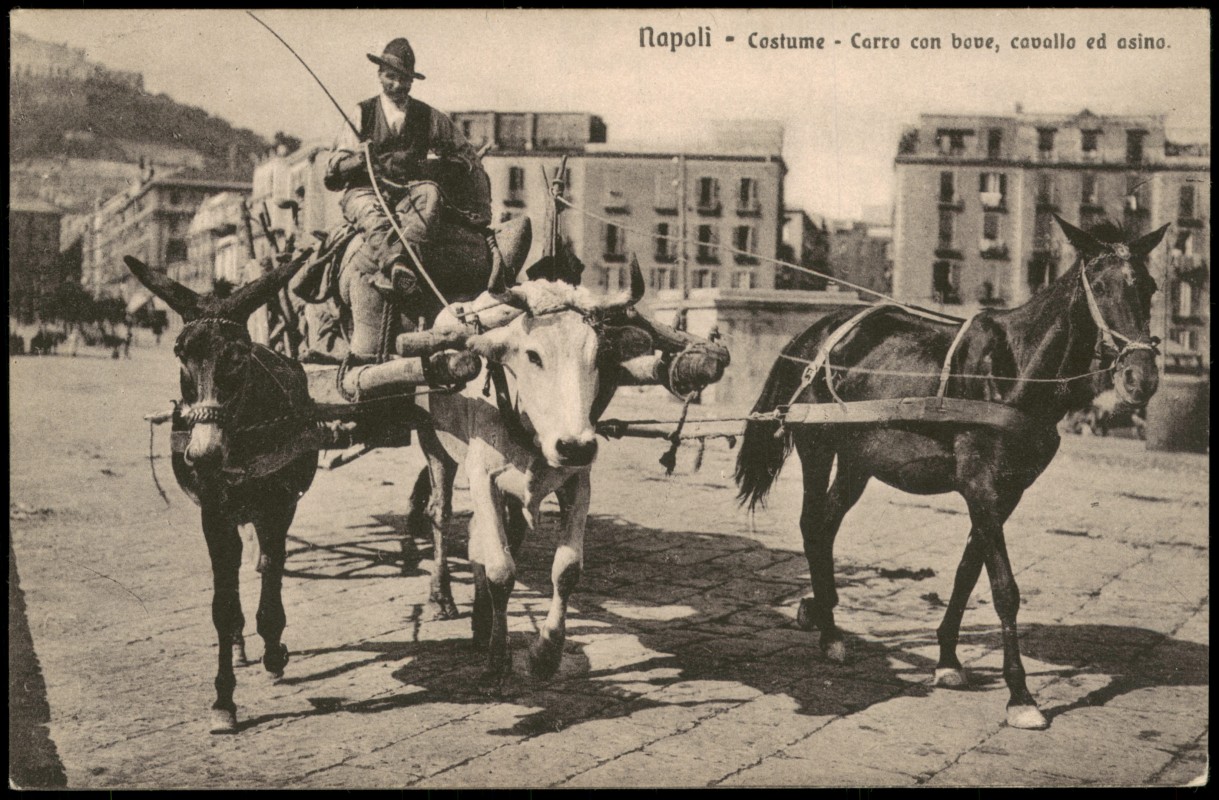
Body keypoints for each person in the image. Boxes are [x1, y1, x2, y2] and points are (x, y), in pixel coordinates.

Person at [324, 37, 492, 311]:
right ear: (379, 75)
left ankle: (408, 261)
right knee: (371, 215)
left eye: (404, 80)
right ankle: (394, 266)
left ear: (412, 82)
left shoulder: (428, 116)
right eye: (391, 77)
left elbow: (464, 152)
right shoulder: (362, 113)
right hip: (365, 191)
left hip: (408, 190)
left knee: (431, 194)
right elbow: (333, 167)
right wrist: (357, 160)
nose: (398, 85)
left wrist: (448, 168)